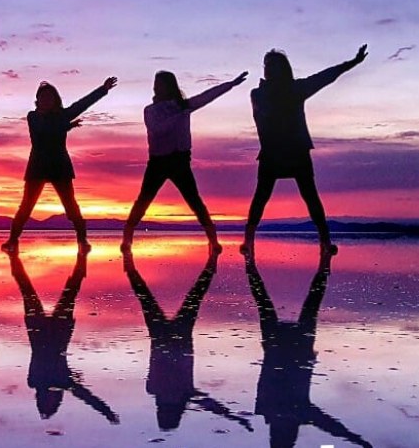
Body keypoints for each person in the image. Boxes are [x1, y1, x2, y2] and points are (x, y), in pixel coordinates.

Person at [242, 46, 367, 256]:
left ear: (284, 68)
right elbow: (263, 115)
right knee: (261, 197)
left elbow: (325, 77)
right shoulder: (258, 94)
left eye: (273, 65)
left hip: (296, 151)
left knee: (310, 196)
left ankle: (325, 241)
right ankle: (248, 240)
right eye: (266, 65)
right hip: (272, 153)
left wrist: (352, 63)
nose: (268, 69)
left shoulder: (296, 89)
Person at [245, 251, 372, 448]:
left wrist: (356, 439)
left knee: (306, 301)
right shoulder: (274, 410)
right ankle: (251, 263)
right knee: (271, 302)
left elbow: (329, 425)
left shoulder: (287, 411)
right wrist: (355, 439)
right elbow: (330, 425)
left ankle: (252, 262)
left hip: (288, 349)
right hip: (287, 348)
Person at [122, 246, 252, 432]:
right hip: (165, 340)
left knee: (192, 296)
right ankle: (129, 263)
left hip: (173, 340)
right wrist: (232, 417)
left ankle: (211, 261)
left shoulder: (182, 393)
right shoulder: (154, 390)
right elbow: (211, 405)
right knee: (149, 298)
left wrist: (234, 417)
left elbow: (210, 404)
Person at [122, 70, 248, 253]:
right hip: (158, 162)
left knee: (194, 201)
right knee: (144, 200)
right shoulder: (151, 110)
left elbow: (206, 97)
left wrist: (230, 84)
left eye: (160, 83)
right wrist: (179, 115)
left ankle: (212, 240)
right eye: (155, 83)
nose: (156, 87)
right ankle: (127, 238)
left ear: (170, 86)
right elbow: (157, 130)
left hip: (180, 161)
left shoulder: (183, 105)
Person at [1, 77, 118, 254]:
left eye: (50, 97)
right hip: (38, 166)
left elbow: (82, 104)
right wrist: (67, 126)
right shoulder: (33, 116)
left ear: (55, 100)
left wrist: (103, 89)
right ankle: (12, 240)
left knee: (71, 206)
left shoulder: (62, 115)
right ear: (37, 100)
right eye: (43, 97)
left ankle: (82, 241)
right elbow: (44, 130)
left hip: (59, 165)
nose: (46, 100)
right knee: (26, 207)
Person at [7, 249, 119, 424]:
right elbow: (86, 397)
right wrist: (106, 411)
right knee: (61, 291)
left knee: (33, 290)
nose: (55, 398)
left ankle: (14, 256)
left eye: (51, 401)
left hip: (44, 332)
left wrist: (106, 412)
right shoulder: (44, 381)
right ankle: (81, 256)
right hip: (53, 333)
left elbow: (85, 396)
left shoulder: (46, 381)